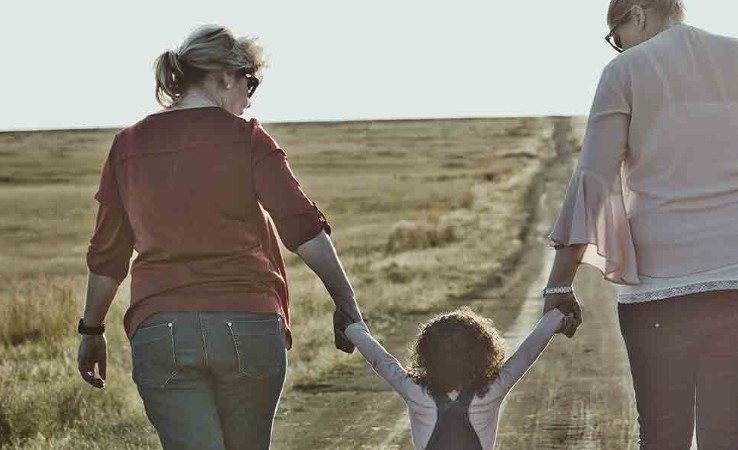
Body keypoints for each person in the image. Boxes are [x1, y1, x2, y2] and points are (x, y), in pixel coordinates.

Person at [542, 1, 738, 448]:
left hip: (659, 285)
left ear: (636, 14)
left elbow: (594, 179)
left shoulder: (625, 72)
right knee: (728, 437)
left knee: (662, 435)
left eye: (615, 38)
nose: (617, 49)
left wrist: (559, 286)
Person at [74, 24, 363, 449]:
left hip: (161, 329)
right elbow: (303, 228)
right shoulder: (247, 138)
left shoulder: (128, 145)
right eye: (251, 83)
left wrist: (91, 330)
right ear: (225, 76)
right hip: (249, 324)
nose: (249, 98)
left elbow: (108, 257)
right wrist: (346, 302)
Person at [336, 307, 574, 450]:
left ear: (425, 355)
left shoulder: (415, 391)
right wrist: (557, 315)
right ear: (483, 352)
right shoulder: (490, 391)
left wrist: (352, 328)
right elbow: (527, 353)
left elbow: (382, 361)